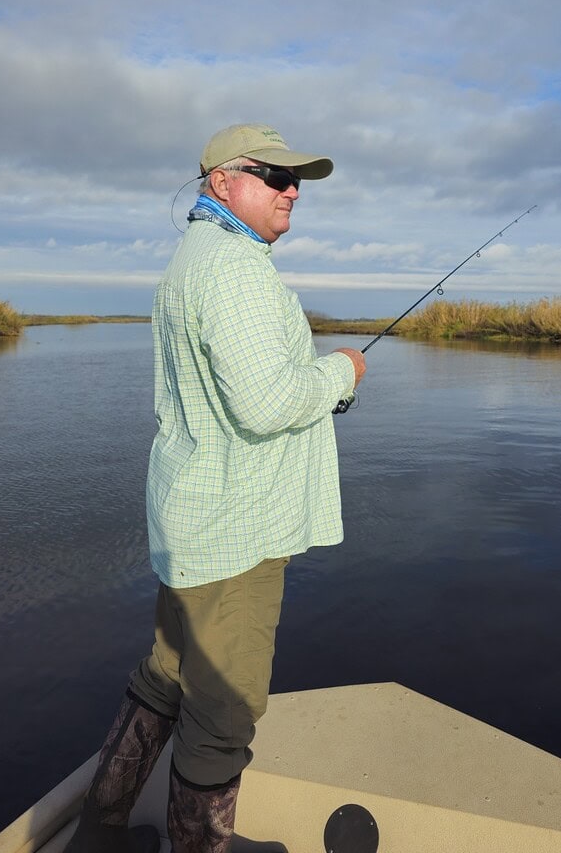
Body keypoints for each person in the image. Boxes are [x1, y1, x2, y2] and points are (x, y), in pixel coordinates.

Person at [65, 124, 366, 853]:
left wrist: (317, 383)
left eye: (297, 180)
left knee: (168, 670)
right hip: (237, 530)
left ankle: (102, 825)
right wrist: (343, 372)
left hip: (196, 519)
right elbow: (265, 404)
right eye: (275, 175)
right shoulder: (234, 267)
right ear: (224, 181)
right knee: (225, 708)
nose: (292, 189)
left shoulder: (196, 257)